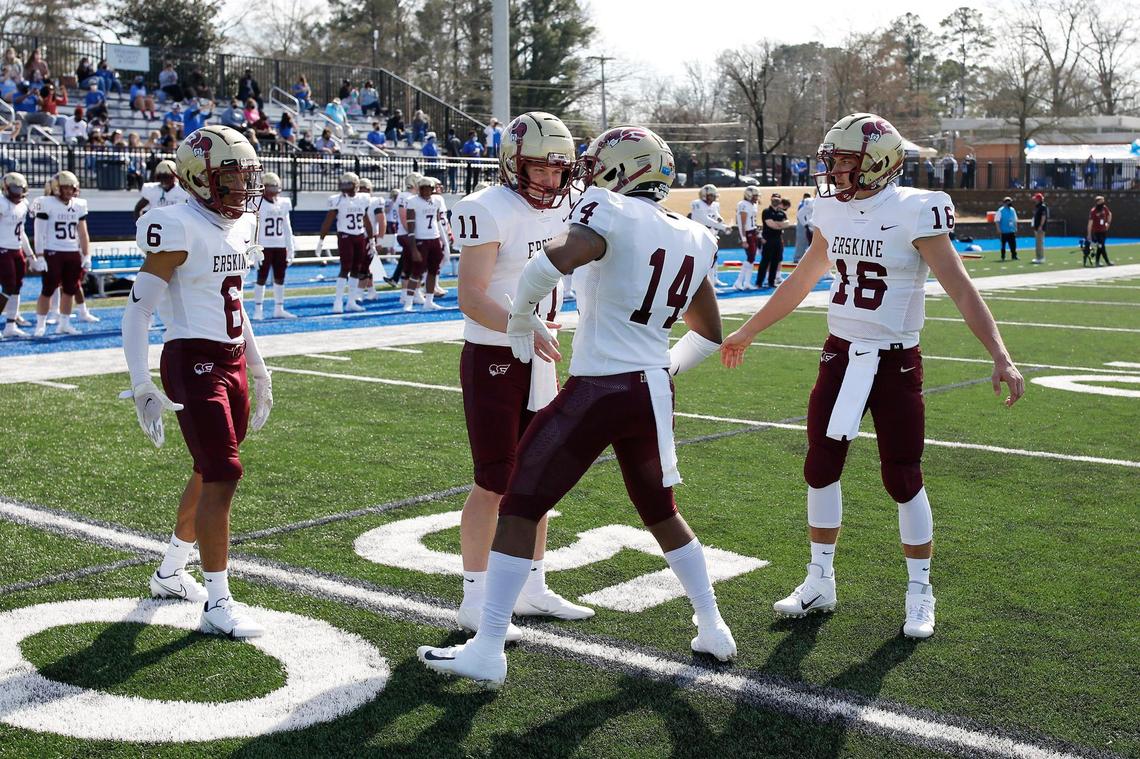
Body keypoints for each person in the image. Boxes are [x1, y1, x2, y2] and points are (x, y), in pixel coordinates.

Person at [418, 125, 735, 687]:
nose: (583, 174)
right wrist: (665, 367)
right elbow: (709, 330)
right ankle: (712, 625)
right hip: (652, 389)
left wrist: (521, 315)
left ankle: (488, 646)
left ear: (620, 171)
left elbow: (553, 261)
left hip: (597, 388)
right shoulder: (695, 234)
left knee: (517, 504)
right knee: (662, 511)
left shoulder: (608, 210)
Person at [721, 113, 1025, 640]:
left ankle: (920, 591)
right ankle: (820, 579)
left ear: (878, 163)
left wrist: (999, 353)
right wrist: (748, 330)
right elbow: (802, 280)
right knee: (819, 466)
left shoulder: (914, 209)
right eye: (832, 160)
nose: (833, 170)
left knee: (902, 475)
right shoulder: (831, 212)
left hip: (895, 360)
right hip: (839, 353)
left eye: (843, 160)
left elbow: (960, 286)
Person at [433, 111, 591, 638]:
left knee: (539, 475)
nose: (550, 179)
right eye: (539, 168)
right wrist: (522, 323)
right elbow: (471, 297)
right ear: (512, 163)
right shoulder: (486, 208)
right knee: (495, 479)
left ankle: (532, 586)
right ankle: (474, 597)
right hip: (494, 356)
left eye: (557, 169)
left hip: (540, 353)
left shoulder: (569, 203)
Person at [121, 124, 271, 639]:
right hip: (192, 359)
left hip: (230, 360)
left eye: (245, 173)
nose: (241, 185)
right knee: (224, 472)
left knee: (208, 472)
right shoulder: (176, 224)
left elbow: (234, 300)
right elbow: (138, 312)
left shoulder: (242, 223)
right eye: (229, 174)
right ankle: (217, 600)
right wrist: (141, 381)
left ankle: (169, 572)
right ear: (198, 177)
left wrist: (257, 365)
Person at [32, 171, 94, 335]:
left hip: (72, 251)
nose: (68, 191)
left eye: (71, 188)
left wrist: (86, 254)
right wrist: (39, 255)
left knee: (70, 289)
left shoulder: (79, 204)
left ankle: (64, 323)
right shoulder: (46, 202)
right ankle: (40, 324)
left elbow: (82, 233)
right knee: (48, 289)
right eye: (65, 188)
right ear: (56, 188)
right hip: (53, 251)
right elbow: (39, 232)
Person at [314, 172, 373, 312]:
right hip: (345, 235)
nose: (345, 186)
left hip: (359, 235)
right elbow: (328, 221)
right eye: (344, 183)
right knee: (345, 267)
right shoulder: (337, 200)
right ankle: (338, 301)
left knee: (356, 268)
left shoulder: (363, 198)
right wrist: (321, 240)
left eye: (349, 183)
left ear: (356, 185)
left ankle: (351, 301)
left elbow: (366, 220)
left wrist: (371, 239)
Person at [253, 172, 296, 320]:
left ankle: (279, 308)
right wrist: (254, 249)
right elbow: (254, 227)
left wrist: (290, 247)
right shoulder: (258, 202)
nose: (273, 189)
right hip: (264, 245)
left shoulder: (283, 203)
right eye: (270, 186)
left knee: (280, 277)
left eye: (275, 186)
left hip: (280, 245)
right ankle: (258, 309)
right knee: (262, 277)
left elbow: (287, 226)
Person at [0, 172, 39, 338]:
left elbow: (21, 232)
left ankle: (10, 324)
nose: (18, 192)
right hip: (1, 248)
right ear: (6, 188)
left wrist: (30, 254)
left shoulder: (23, 204)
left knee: (16, 286)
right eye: (15, 188)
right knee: (8, 285)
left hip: (16, 249)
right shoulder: (1, 203)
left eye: (21, 188)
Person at [403, 176, 450, 311]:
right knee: (416, 272)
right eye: (423, 188)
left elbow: (437, 221)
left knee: (433, 271)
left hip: (434, 238)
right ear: (419, 189)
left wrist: (443, 240)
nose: (426, 191)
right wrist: (413, 248)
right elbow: (410, 226)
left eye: (429, 188)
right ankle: (408, 302)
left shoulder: (436, 200)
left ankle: (429, 301)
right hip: (420, 239)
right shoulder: (412, 201)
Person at [689, 184, 729, 288]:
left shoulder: (715, 204)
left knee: (714, 258)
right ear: (704, 195)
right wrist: (723, 227)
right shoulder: (697, 204)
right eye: (711, 195)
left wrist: (720, 219)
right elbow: (705, 219)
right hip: (700, 234)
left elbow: (715, 215)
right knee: (705, 260)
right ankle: (707, 285)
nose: (713, 198)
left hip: (712, 233)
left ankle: (714, 280)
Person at [758, 192, 789, 288]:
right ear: (771, 199)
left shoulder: (782, 213)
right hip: (768, 239)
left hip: (778, 240)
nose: (775, 201)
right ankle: (759, 282)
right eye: (774, 199)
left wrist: (776, 224)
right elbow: (770, 224)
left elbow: (787, 224)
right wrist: (780, 225)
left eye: (777, 199)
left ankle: (771, 282)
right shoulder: (766, 211)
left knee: (776, 261)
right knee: (765, 261)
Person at [733, 185, 759, 290]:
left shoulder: (752, 204)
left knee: (752, 258)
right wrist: (743, 239)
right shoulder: (743, 205)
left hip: (752, 232)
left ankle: (747, 283)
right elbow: (742, 223)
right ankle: (739, 282)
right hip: (747, 233)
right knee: (750, 258)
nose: (757, 198)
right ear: (749, 195)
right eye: (755, 195)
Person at [1087, 196, 1112, 266]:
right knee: (1101, 246)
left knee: (1100, 246)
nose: (1103, 202)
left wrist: (1108, 223)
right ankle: (1107, 261)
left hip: (1104, 230)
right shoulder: (1093, 211)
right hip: (1097, 231)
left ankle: (1097, 262)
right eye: (1101, 201)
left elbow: (1110, 214)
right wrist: (1089, 234)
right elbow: (1090, 223)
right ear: (1097, 202)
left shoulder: (1104, 208)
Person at [995, 196, 1018, 261]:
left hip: (1011, 230)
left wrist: (1016, 227)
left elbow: (1015, 219)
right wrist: (998, 229)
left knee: (1013, 244)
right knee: (1003, 245)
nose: (1009, 203)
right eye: (1007, 201)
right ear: (1004, 203)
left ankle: (1014, 256)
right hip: (1004, 231)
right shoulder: (1000, 210)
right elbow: (997, 220)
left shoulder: (1012, 210)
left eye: (1010, 201)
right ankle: (1003, 256)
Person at [794, 192, 814, 263]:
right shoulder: (808, 202)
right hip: (811, 228)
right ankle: (801, 258)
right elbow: (800, 214)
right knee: (809, 245)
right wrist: (806, 224)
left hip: (814, 227)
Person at [1031, 192, 1048, 264]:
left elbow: (1043, 217)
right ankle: (1038, 257)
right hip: (1036, 227)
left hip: (1040, 228)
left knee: (1039, 243)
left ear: (1039, 199)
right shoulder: (1037, 207)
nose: (1035, 200)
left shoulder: (1042, 207)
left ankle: (1041, 258)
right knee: (1037, 243)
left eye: (1036, 199)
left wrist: (1040, 226)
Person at [445, 128, 462, 192]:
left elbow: (450, 151)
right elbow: (460, 150)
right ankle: (455, 188)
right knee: (455, 174)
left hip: (452, 160)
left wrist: (448, 160)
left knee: (451, 174)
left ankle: (453, 188)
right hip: (457, 160)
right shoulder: (458, 140)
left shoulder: (450, 141)